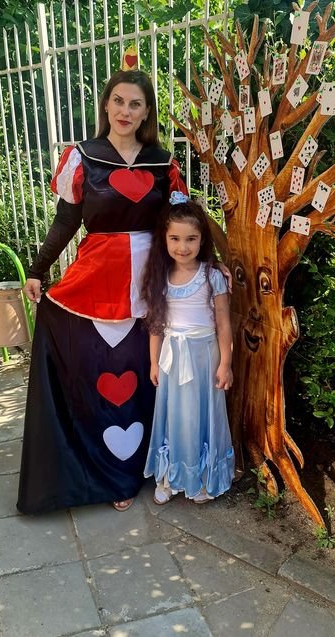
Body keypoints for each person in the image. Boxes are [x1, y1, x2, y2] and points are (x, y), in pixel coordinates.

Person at [17, 69, 188, 514]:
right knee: (100, 379)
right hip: (95, 284)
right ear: (106, 105)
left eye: (135, 104)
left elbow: (182, 224)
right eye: (118, 101)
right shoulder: (84, 158)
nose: (125, 111)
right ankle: (100, 471)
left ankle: (137, 470)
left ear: (147, 112)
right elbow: (66, 221)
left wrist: (208, 267)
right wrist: (37, 269)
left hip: (151, 284)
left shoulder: (162, 164)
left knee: (142, 379)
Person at [142, 195, 235, 505]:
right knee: (175, 416)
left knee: (202, 417)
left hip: (205, 358)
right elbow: (156, 325)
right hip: (171, 359)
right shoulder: (160, 278)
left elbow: (223, 324)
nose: (183, 246)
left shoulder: (212, 276)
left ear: (202, 239)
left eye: (191, 239)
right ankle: (170, 477)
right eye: (175, 238)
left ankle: (203, 478)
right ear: (164, 239)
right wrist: (153, 362)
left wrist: (225, 364)